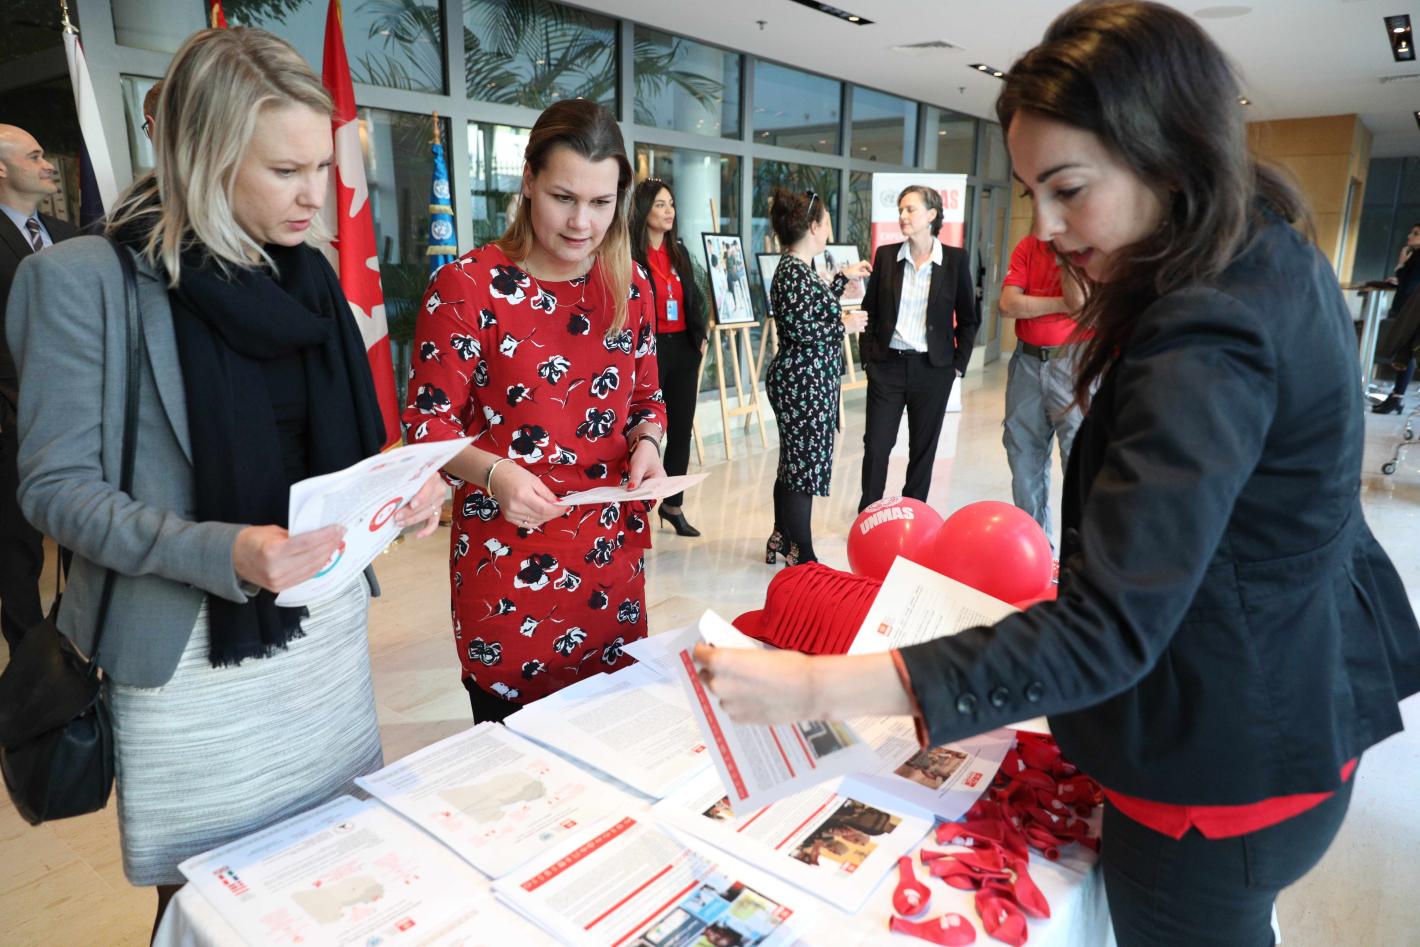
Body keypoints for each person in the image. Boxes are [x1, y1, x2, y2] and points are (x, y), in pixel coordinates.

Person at [694, 4, 1420, 945]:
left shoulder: (1209, 328)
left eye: (1070, 188)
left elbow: (1107, 630)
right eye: (1034, 190)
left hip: (1219, 761)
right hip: (1297, 690)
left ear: (1168, 150)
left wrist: (815, 688)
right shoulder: (1267, 242)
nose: (1048, 224)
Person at [6, 27, 445, 932]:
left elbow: (338, 457)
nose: (314, 196)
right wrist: (224, 551)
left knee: (331, 868)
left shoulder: (310, 276)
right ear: (204, 157)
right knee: (208, 902)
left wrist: (397, 497)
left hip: (320, 629)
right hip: (185, 657)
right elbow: (56, 489)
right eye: (285, 171)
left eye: (320, 168)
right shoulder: (83, 280)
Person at [404, 98, 667, 724]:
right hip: (509, 568)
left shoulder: (629, 283)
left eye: (601, 202)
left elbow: (645, 398)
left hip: (608, 562)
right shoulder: (468, 287)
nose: (582, 222)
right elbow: (427, 426)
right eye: (563, 197)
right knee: (516, 761)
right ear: (527, 181)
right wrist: (495, 473)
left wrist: (649, 446)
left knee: (614, 737)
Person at [0, 124, 79, 658]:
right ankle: (30, 670)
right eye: (34, 156)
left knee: (84, 536)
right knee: (18, 550)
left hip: (80, 416)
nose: (48, 164)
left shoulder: (73, 236)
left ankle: (79, 652)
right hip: (13, 420)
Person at [764, 189, 871, 565]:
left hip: (804, 382)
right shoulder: (793, 272)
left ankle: (781, 538)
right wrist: (845, 325)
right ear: (812, 226)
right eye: (825, 224)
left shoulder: (796, 269)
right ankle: (802, 554)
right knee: (803, 470)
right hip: (802, 385)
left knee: (793, 465)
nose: (828, 231)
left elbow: (811, 310)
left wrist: (841, 279)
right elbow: (803, 330)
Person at [857, 185, 980, 512]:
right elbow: (870, 311)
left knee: (923, 451)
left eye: (910, 209)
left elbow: (969, 319)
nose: (902, 216)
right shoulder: (887, 256)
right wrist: (868, 358)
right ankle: (868, 515)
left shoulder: (954, 260)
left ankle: (913, 516)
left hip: (933, 370)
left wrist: (957, 366)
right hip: (887, 366)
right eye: (900, 210)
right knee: (877, 447)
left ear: (931, 215)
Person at [997, 233, 1091, 537]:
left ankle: (1080, 549)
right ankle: (1038, 548)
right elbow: (1007, 304)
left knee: (1079, 458)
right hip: (1026, 362)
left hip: (1074, 363)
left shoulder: (1088, 245)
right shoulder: (1028, 246)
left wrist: (1066, 254)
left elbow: (1080, 301)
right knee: (1023, 456)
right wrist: (1060, 304)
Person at [630, 178, 707, 537]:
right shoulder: (632, 255)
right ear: (644, 209)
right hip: (649, 349)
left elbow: (695, 298)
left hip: (683, 349)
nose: (668, 211)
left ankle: (673, 505)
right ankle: (634, 505)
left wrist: (700, 337)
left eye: (671, 204)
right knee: (643, 429)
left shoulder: (680, 253)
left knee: (680, 429)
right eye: (660, 204)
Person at [1371, 222, 1420, 415]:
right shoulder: (1415, 256)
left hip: (1409, 312)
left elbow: (1409, 285)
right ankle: (1396, 397)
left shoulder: (1416, 257)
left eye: (1416, 233)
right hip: (1408, 309)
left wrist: (1400, 265)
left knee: (1405, 353)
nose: (1410, 236)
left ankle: (1397, 397)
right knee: (1404, 354)